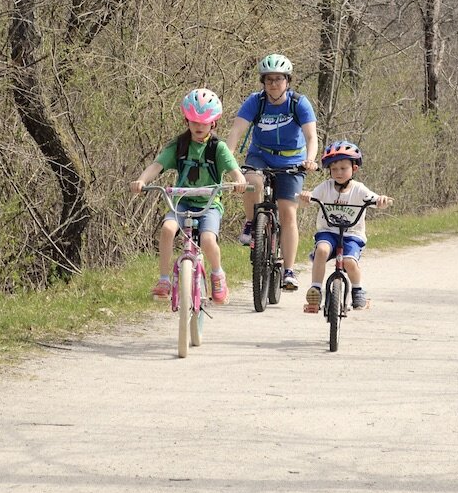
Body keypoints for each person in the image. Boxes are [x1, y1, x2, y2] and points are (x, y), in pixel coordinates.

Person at [129, 88, 246, 304]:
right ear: (187, 121)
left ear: (213, 123)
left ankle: (218, 275)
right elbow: (157, 165)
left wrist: (239, 180)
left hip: (209, 204)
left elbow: (234, 170)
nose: (198, 127)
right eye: (193, 122)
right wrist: (142, 180)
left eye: (204, 122)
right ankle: (164, 280)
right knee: (166, 229)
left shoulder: (217, 148)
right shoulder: (179, 146)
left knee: (208, 240)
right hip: (181, 203)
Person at [226, 53, 319, 292]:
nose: (273, 84)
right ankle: (250, 223)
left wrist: (310, 159)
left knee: (288, 214)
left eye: (278, 79)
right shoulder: (255, 102)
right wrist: (229, 159)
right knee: (251, 181)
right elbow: (236, 131)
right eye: (269, 80)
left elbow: (311, 136)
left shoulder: (299, 103)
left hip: (292, 160)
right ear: (263, 82)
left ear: (287, 81)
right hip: (260, 154)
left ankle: (288, 270)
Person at [303, 140, 392, 313]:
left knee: (349, 262)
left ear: (354, 169)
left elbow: (375, 200)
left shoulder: (359, 189)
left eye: (343, 168)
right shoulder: (325, 187)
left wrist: (382, 201)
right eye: (334, 169)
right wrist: (306, 197)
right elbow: (310, 199)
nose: (338, 173)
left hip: (352, 234)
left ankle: (358, 291)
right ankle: (315, 291)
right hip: (328, 232)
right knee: (321, 250)